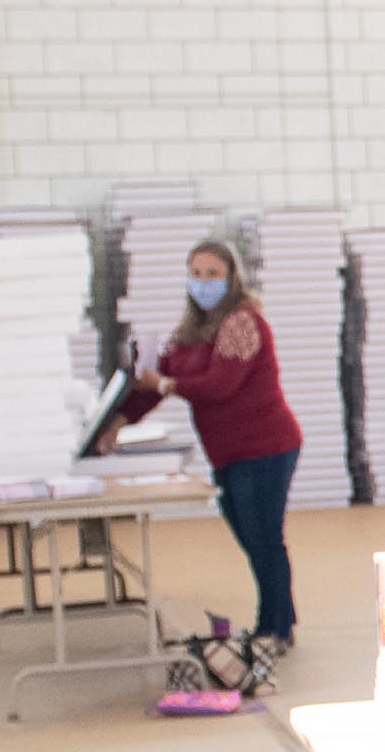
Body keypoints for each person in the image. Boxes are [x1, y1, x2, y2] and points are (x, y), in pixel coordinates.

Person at [99, 238, 302, 655]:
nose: (204, 282)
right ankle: (282, 618)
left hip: (265, 447)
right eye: (196, 274)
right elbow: (153, 385)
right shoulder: (191, 331)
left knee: (264, 538)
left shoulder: (243, 323)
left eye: (213, 274)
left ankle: (274, 630)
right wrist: (115, 422)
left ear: (231, 278)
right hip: (229, 452)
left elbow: (219, 386)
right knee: (251, 536)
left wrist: (166, 384)